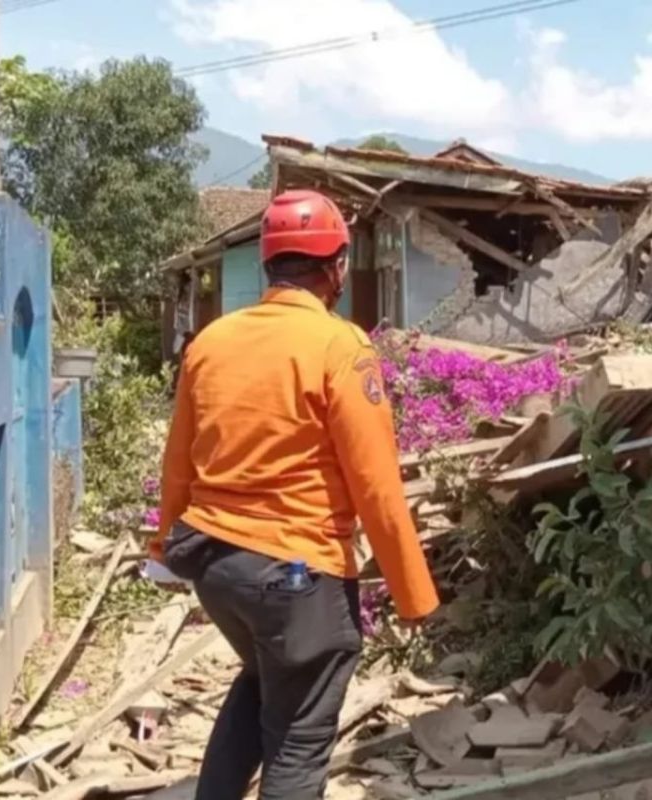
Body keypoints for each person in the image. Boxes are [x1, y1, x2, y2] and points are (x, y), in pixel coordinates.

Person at [149, 189, 439, 799]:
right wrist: (414, 598)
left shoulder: (211, 343)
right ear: (335, 268)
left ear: (268, 265)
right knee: (299, 741)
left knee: (261, 680)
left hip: (215, 567)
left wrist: (162, 549)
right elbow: (376, 485)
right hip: (297, 579)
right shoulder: (340, 346)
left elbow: (178, 462)